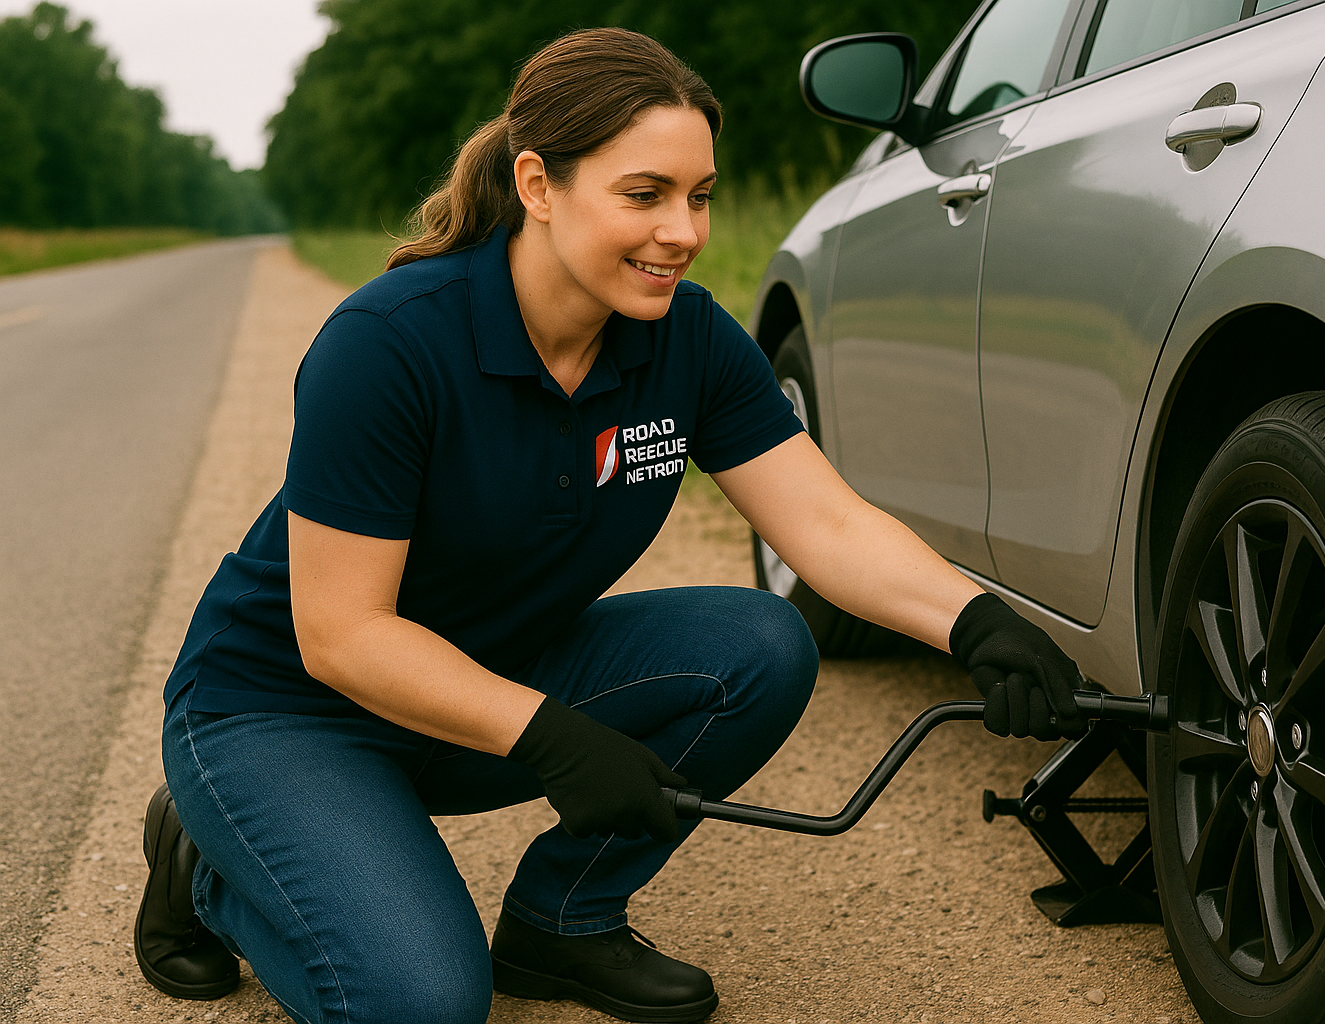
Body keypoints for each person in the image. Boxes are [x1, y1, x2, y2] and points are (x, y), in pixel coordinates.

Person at [133, 27, 1087, 1024]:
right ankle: (209, 866)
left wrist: (976, 623)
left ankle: (564, 921)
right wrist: (549, 735)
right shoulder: (387, 346)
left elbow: (828, 525)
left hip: (487, 679)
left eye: (700, 195)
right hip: (284, 713)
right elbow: (342, 634)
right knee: (421, 1002)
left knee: (761, 642)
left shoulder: (686, 338)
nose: (682, 231)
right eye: (645, 195)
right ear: (538, 185)